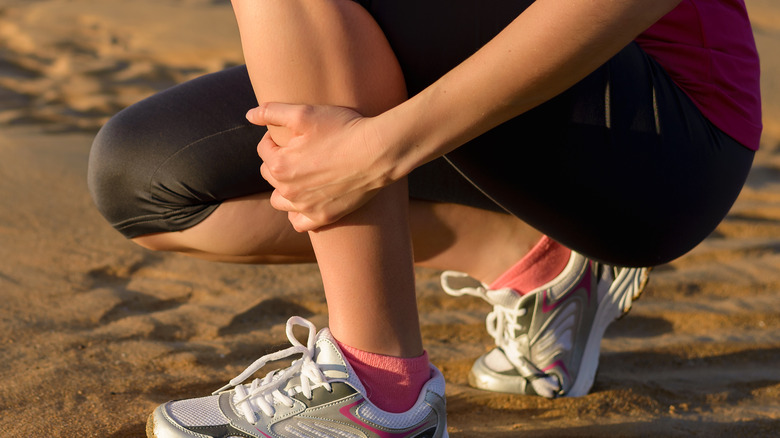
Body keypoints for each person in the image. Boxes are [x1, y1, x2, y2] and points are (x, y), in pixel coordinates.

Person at [87, 0, 761, 436]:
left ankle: (381, 392)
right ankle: (532, 260)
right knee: (144, 177)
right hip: (493, 114)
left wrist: (382, 148)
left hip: (663, 131)